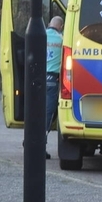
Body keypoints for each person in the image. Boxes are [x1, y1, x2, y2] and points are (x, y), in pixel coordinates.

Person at [45, 16, 64, 158]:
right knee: (48, 113)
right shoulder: (61, 39)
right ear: (61, 26)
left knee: (35, 112)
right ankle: (40, 144)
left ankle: (29, 139)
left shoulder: (41, 34)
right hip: (52, 80)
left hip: (37, 79)